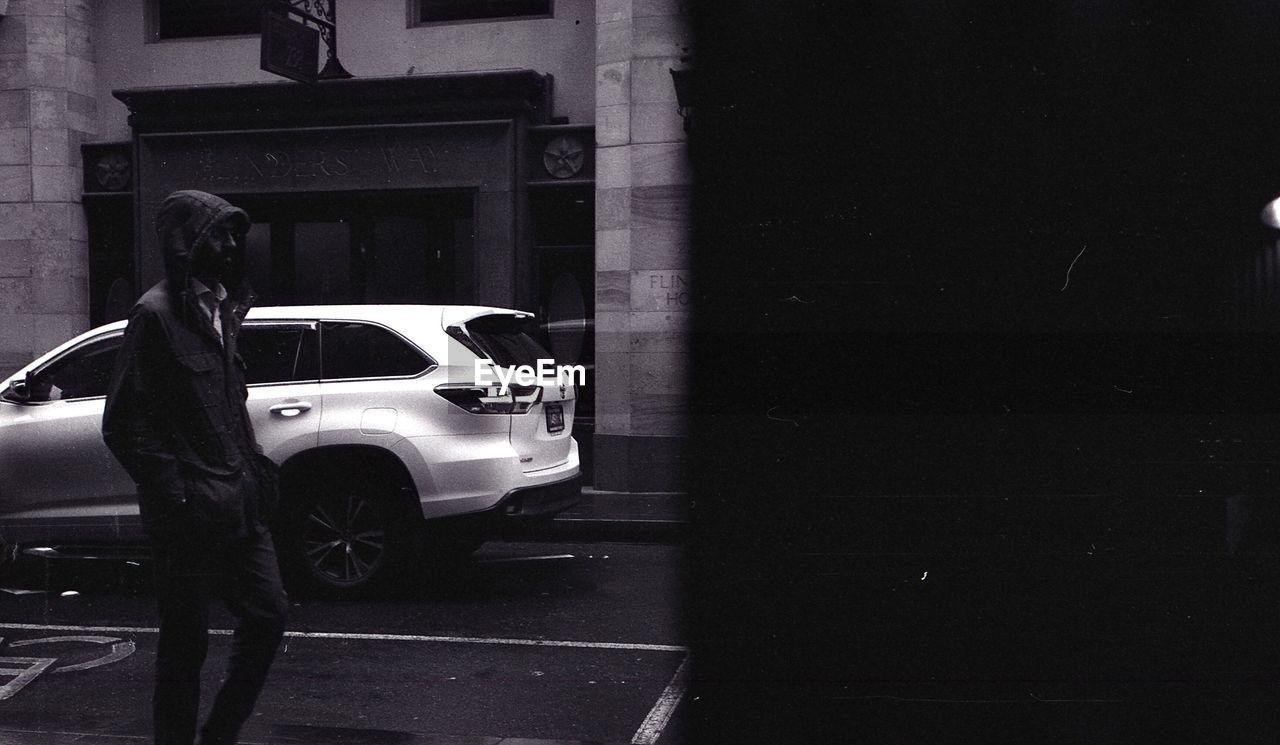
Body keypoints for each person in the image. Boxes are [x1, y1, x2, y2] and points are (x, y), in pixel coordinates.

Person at [102, 190, 286, 745]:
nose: (232, 246)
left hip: (240, 503)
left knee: (269, 613)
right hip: (189, 516)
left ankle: (219, 734)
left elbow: (230, 406)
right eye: (220, 234)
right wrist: (178, 493)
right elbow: (124, 424)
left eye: (235, 235)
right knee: (185, 647)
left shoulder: (225, 308)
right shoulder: (154, 315)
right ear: (187, 244)